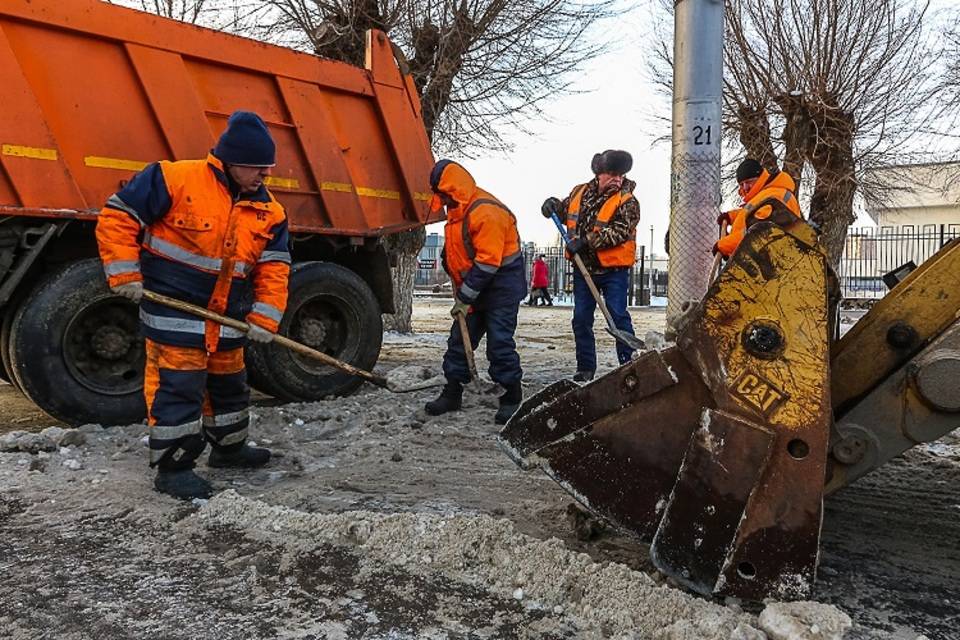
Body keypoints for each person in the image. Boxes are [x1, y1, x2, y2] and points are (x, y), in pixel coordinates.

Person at [96, 111, 291, 500]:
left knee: (230, 387)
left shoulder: (271, 212)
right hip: (174, 311)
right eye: (257, 169)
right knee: (178, 387)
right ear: (232, 162)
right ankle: (173, 468)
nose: (264, 176)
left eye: (267, 169)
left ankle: (229, 449)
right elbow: (118, 217)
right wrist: (125, 275)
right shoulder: (173, 179)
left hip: (227, 316)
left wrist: (264, 319)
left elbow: (274, 269)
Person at [425, 160, 526, 424]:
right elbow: (461, 254)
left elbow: (488, 261)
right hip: (475, 284)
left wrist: (465, 296)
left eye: (443, 193)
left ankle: (511, 396)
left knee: (499, 343)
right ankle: (453, 391)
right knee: (459, 340)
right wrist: (449, 264)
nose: (441, 200)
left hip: (501, 287)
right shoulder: (457, 211)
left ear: (452, 189)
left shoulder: (485, 212)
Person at [543, 150, 641, 382]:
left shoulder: (628, 201)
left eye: (621, 175)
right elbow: (565, 210)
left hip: (613, 271)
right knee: (581, 318)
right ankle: (585, 367)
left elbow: (618, 231)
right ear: (599, 174)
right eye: (613, 174)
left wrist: (585, 241)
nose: (618, 179)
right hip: (583, 268)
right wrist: (553, 205)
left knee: (617, 316)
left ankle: (630, 364)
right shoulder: (580, 193)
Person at [714, 158, 802, 258]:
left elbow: (757, 234)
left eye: (749, 182)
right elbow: (754, 214)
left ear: (760, 178)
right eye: (742, 184)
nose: (745, 187)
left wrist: (725, 245)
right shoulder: (768, 193)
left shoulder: (774, 196)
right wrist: (732, 216)